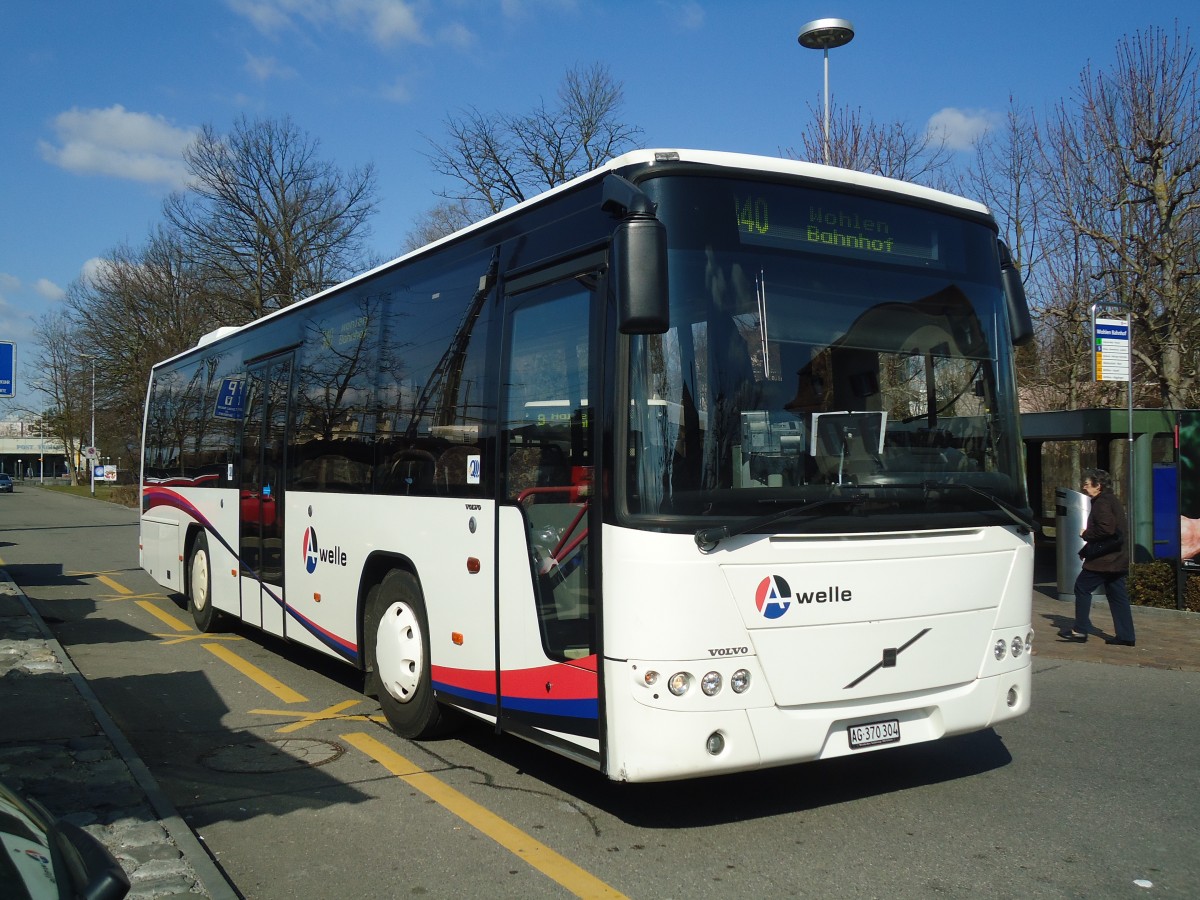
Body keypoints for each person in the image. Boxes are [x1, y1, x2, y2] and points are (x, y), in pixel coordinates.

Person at [1059, 468, 1136, 646]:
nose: (1084, 487)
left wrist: (1086, 534)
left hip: (1104, 561)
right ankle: (1126, 635)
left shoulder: (1102, 502)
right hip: (1116, 559)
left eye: (1087, 484)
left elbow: (1106, 529)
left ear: (1098, 485)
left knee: (1082, 587)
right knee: (1117, 595)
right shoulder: (1112, 500)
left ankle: (1080, 630)